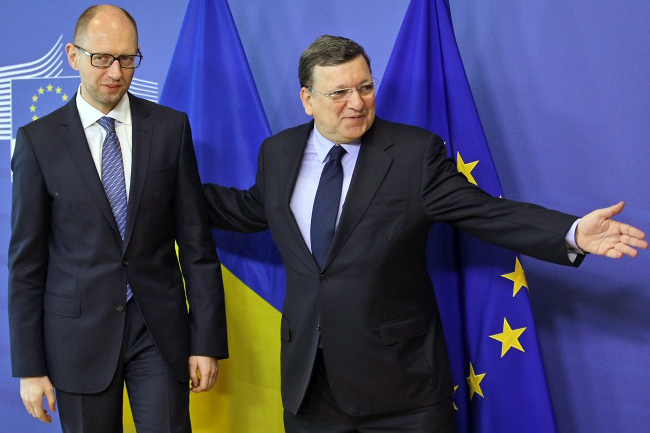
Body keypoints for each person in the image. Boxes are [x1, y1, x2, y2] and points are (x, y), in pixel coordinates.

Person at [202, 35, 646, 432]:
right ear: (307, 99)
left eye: (365, 87)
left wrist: (571, 232)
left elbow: (484, 212)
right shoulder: (278, 152)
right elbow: (253, 209)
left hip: (401, 392)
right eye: (339, 93)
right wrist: (172, 196)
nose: (357, 103)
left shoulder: (414, 154)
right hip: (310, 389)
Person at [8, 5, 227, 432]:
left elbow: (197, 246)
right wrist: (30, 368)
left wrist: (206, 342)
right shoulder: (38, 142)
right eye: (102, 58)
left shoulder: (170, 129)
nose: (116, 72)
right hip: (77, 340)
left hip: (159, 333)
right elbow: (26, 264)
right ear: (73, 56)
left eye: (127, 58)